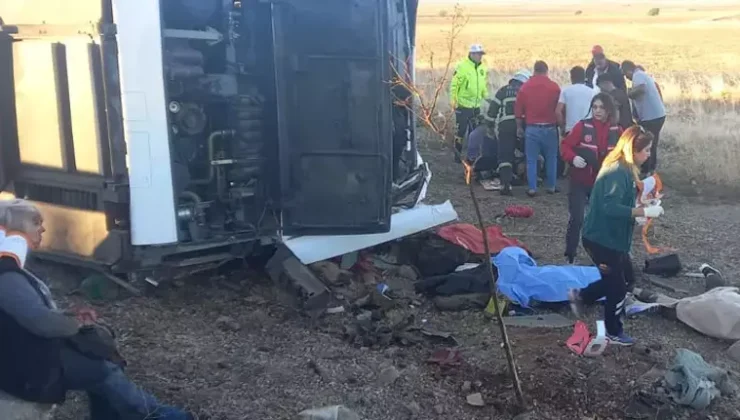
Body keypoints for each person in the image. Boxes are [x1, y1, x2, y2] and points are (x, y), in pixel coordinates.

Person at [0, 199, 194, 420]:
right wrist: (77, 323)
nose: (42, 228)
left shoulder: (12, 269)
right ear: (16, 231)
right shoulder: (7, 277)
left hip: (28, 349)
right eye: (35, 223)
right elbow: (41, 322)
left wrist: (69, 316)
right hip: (24, 361)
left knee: (100, 359)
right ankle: (163, 415)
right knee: (102, 370)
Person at [568, 126, 665, 346]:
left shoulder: (626, 169)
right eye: (646, 150)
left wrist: (641, 208)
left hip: (614, 238)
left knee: (625, 278)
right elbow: (609, 207)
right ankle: (613, 330)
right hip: (601, 239)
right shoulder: (617, 172)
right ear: (634, 149)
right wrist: (642, 212)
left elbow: (621, 204)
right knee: (618, 287)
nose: (649, 154)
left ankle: (581, 296)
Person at [560, 93, 622, 264]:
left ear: (609, 109)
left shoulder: (617, 130)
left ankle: (603, 256)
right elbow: (565, 145)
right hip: (580, 181)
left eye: (601, 107)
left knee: (602, 220)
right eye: (594, 107)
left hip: (602, 184)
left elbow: (625, 154)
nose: (597, 111)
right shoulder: (582, 126)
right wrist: (572, 158)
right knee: (577, 218)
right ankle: (570, 255)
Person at [515, 60, 561, 197]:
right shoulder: (554, 87)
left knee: (531, 159)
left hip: (532, 129)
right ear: (547, 71)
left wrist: (519, 127)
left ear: (534, 70)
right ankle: (552, 186)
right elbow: (559, 108)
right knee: (552, 158)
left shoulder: (525, 87)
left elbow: (518, 111)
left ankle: (532, 188)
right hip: (550, 128)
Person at [486, 69, 531, 195]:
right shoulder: (526, 92)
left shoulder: (503, 90)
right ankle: (530, 179)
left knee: (505, 156)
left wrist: (489, 126)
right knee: (528, 152)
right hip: (523, 125)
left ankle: (505, 184)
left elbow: (492, 110)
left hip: (505, 126)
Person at [621, 60, 666, 175]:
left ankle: (646, 170)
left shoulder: (638, 75)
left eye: (626, 75)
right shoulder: (642, 75)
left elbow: (641, 89)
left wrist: (627, 94)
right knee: (652, 142)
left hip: (652, 117)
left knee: (647, 143)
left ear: (628, 70)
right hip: (656, 115)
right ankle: (651, 168)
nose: (627, 78)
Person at [450, 43, 489, 162]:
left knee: (475, 133)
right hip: (463, 106)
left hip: (476, 106)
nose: (480, 57)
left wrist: (486, 96)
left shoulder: (483, 68)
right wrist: (453, 100)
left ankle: (472, 157)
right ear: (471, 54)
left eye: (481, 54)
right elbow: (454, 84)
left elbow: (482, 84)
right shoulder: (462, 66)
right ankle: (457, 155)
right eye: (478, 54)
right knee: (460, 132)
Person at [557, 66, 596, 135]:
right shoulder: (592, 92)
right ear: (584, 78)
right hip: (588, 128)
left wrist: (562, 127)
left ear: (571, 78)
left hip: (571, 129)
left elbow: (558, 111)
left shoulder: (565, 91)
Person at [463, 119, 500, 190]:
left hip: (473, 163)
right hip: (483, 162)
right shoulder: (489, 133)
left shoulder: (473, 133)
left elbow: (469, 156)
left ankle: (481, 173)